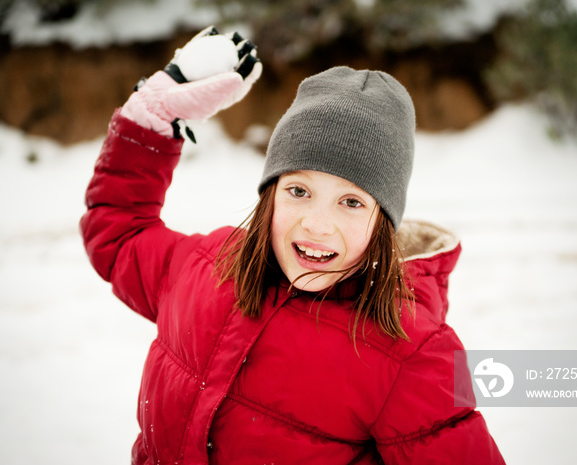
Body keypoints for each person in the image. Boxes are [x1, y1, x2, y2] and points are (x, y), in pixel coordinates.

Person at [80, 26, 505, 465]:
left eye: (351, 201)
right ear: (271, 193)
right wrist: (153, 114)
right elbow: (118, 232)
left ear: (383, 223)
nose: (317, 224)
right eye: (299, 191)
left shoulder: (411, 358)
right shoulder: (205, 268)